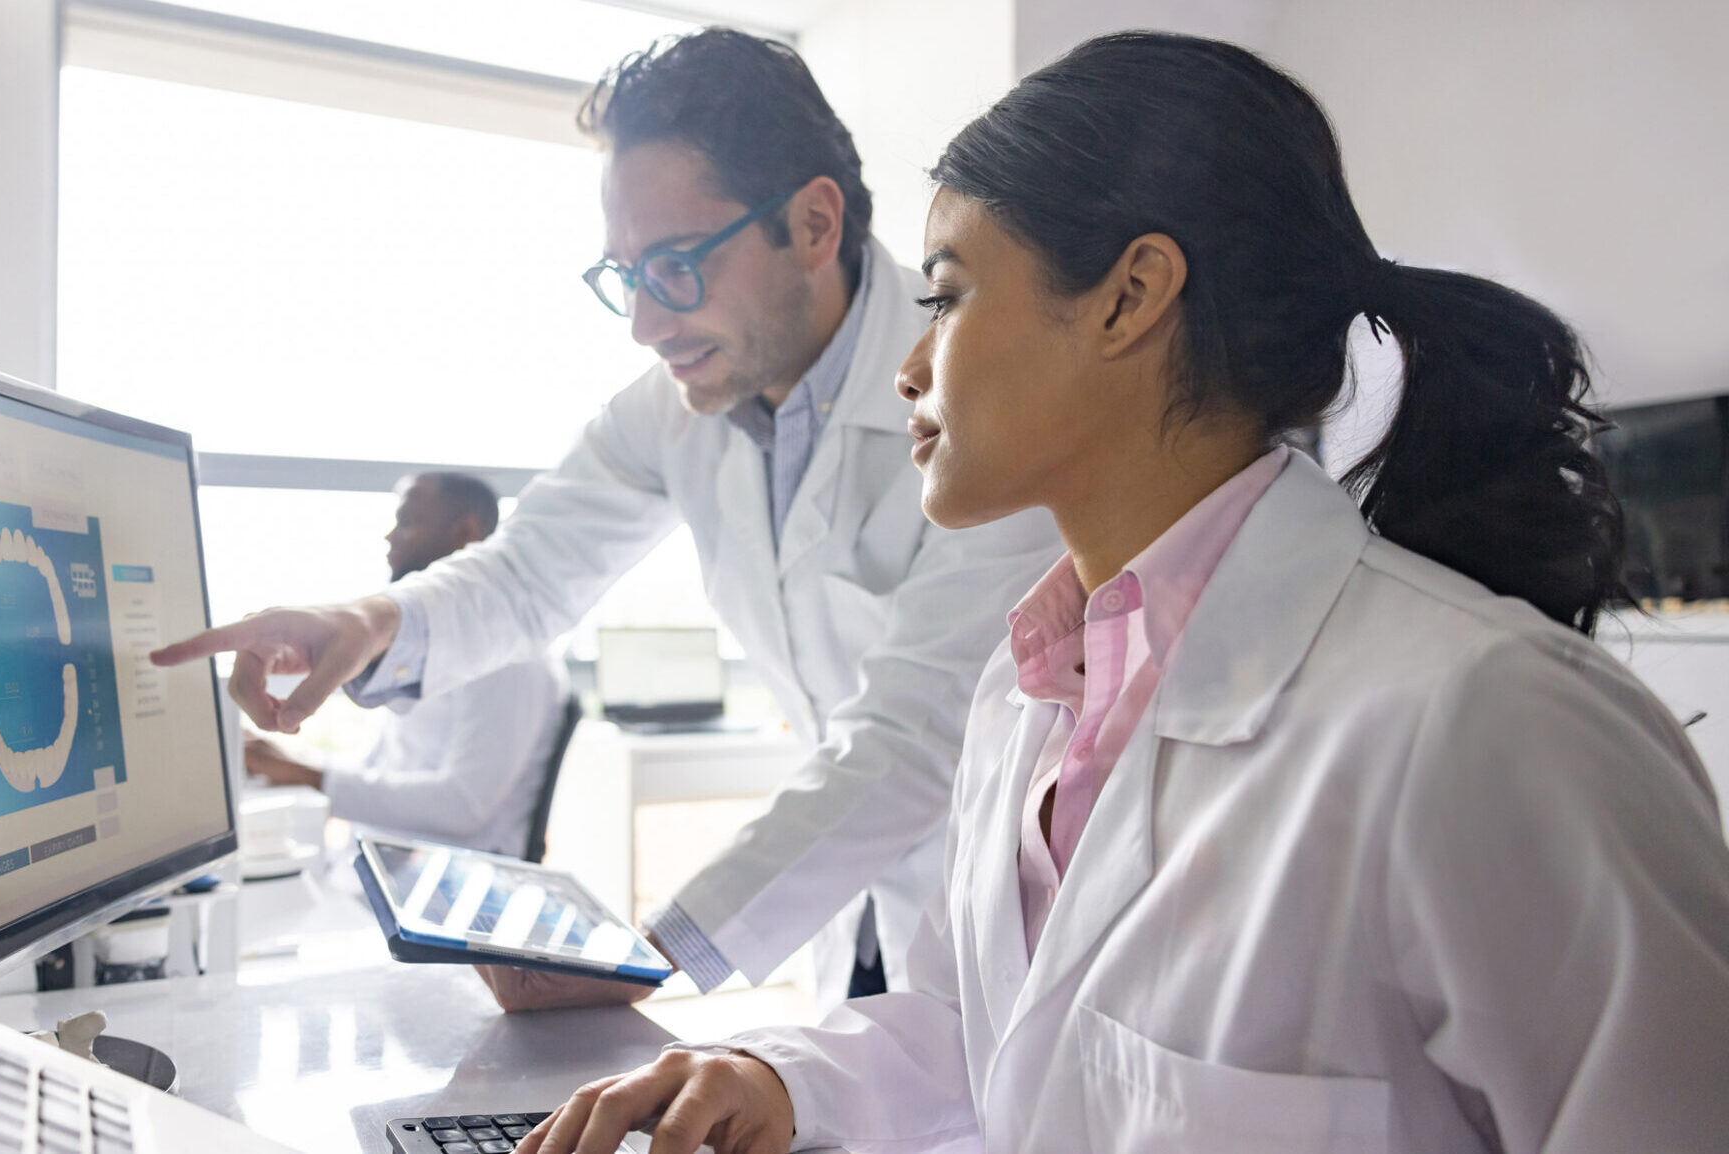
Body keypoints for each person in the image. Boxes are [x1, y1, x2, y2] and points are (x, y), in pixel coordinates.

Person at [519, 31, 1729, 1154]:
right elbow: (999, 1027)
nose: (905, 363)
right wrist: (778, 1076)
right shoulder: (1030, 691)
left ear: (1129, 294)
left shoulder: (1489, 724)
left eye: (944, 295)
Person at [152, 28, 1059, 1010]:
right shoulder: (678, 406)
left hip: (1001, 915)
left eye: (674, 266)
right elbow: (528, 568)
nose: (644, 322)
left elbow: (914, 733)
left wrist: (645, 950)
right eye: (625, 275)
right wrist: (370, 621)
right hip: (851, 932)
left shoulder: (984, 397)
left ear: (809, 222)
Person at [244, 472, 566, 859]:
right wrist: (287, 762)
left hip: (449, 887)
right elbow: (383, 763)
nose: (390, 537)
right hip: (385, 865)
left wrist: (312, 778)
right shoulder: (429, 647)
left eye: (408, 522)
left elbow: (462, 808)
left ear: (465, 533)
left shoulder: (513, 659)